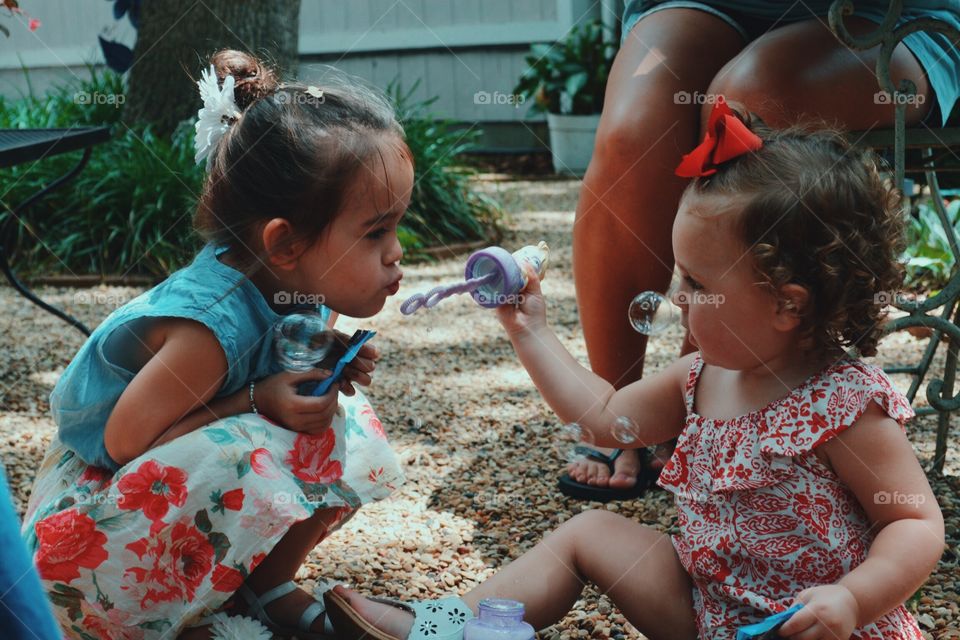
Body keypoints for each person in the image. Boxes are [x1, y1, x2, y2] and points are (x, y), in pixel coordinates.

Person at [323, 99, 945, 640]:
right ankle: (445, 626)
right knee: (588, 531)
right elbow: (604, 419)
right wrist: (529, 330)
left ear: (787, 303)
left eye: (697, 284)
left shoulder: (842, 404)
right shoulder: (701, 376)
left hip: (822, 628)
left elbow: (914, 523)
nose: (677, 298)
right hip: (709, 610)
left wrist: (852, 599)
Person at [18, 49, 410, 639]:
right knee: (245, 445)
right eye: (376, 230)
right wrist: (256, 400)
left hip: (133, 493)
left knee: (332, 417)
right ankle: (153, 615)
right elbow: (128, 445)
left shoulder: (294, 281)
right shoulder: (209, 328)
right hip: (81, 539)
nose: (396, 251)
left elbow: (273, 364)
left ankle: (263, 585)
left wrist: (326, 357)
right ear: (284, 244)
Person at [563, 0, 960, 500]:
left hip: (882, 17)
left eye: (695, 285)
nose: (677, 300)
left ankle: (704, 410)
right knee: (632, 132)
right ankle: (623, 410)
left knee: (753, 98)